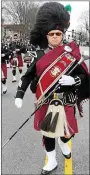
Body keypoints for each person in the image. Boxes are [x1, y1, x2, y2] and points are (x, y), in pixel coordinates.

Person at [15, 2, 90, 175]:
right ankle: (52, 160)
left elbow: (83, 76)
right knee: (48, 133)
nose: (55, 37)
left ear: (63, 34)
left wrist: (73, 80)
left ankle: (64, 143)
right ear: (46, 35)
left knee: (66, 132)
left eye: (58, 33)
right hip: (46, 99)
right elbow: (27, 76)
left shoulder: (70, 54)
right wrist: (19, 94)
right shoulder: (39, 55)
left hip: (66, 99)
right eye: (52, 34)